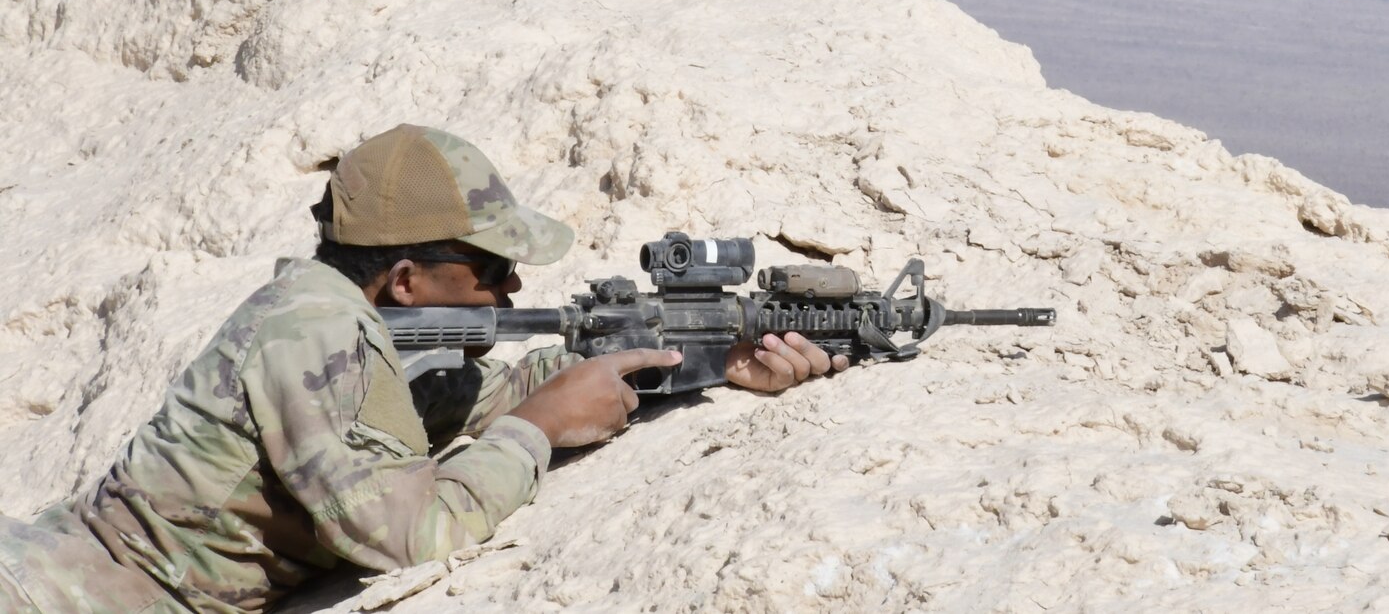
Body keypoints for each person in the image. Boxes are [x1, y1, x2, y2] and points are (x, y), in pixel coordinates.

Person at [0, 124, 844, 614]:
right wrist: (539, 427)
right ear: (405, 279)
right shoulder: (317, 333)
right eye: (490, 270)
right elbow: (409, 535)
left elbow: (450, 403)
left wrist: (684, 358)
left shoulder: (343, 308)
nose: (513, 287)